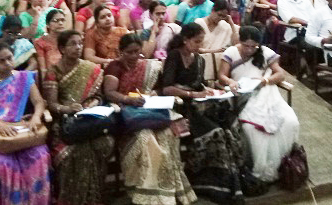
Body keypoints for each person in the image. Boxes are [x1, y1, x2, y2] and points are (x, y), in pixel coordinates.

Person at [104, 33, 196, 205]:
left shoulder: (148, 66)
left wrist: (153, 93)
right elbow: (109, 93)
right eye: (129, 52)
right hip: (127, 117)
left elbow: (160, 89)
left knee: (168, 135)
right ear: (121, 52)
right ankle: (145, 192)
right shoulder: (114, 67)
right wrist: (127, 99)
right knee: (146, 139)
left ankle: (167, 190)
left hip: (150, 112)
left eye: (137, 52)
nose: (134, 56)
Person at [162, 22, 245, 203]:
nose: (200, 46)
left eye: (201, 42)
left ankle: (233, 180)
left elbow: (199, 84)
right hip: (182, 107)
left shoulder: (199, 59)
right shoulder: (175, 56)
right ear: (185, 40)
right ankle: (207, 182)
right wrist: (192, 94)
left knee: (230, 125)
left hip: (199, 104)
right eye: (197, 42)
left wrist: (211, 91)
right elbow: (167, 88)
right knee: (215, 133)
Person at [0, 41, 50, 205]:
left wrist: (36, 118)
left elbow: (39, 102)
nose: (7, 63)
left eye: (9, 58)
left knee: (40, 155)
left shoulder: (24, 77)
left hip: (22, 129)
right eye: (1, 61)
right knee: (2, 164)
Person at [217, 26, 300, 182]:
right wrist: (230, 82)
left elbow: (280, 74)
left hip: (266, 95)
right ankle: (258, 165)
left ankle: (282, 165)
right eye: (246, 46)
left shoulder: (265, 52)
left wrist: (265, 80)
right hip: (242, 96)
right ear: (240, 41)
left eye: (253, 47)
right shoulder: (231, 52)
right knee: (252, 128)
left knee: (290, 122)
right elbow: (221, 76)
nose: (249, 50)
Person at [43, 30, 114, 205]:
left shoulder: (91, 68)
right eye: (73, 44)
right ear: (62, 48)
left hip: (90, 119)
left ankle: (94, 199)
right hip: (67, 122)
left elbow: (98, 97)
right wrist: (67, 108)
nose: (78, 47)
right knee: (76, 151)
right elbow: (52, 104)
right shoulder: (53, 71)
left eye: (80, 43)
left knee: (102, 143)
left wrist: (93, 104)